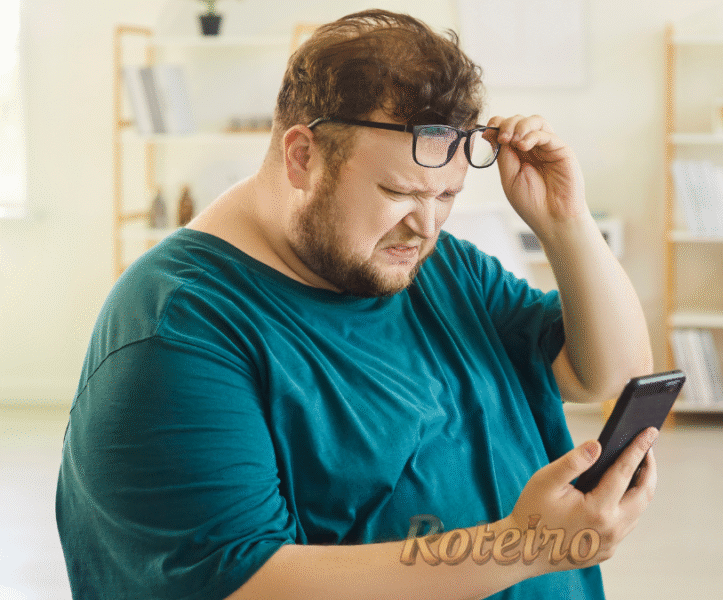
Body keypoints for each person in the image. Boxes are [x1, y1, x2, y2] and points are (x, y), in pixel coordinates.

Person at [56, 9, 655, 600]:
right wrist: (525, 547)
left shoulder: (439, 265)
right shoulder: (179, 329)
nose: (424, 227)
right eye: (398, 192)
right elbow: (243, 583)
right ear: (301, 157)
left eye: (447, 196)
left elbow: (606, 374)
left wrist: (566, 224)